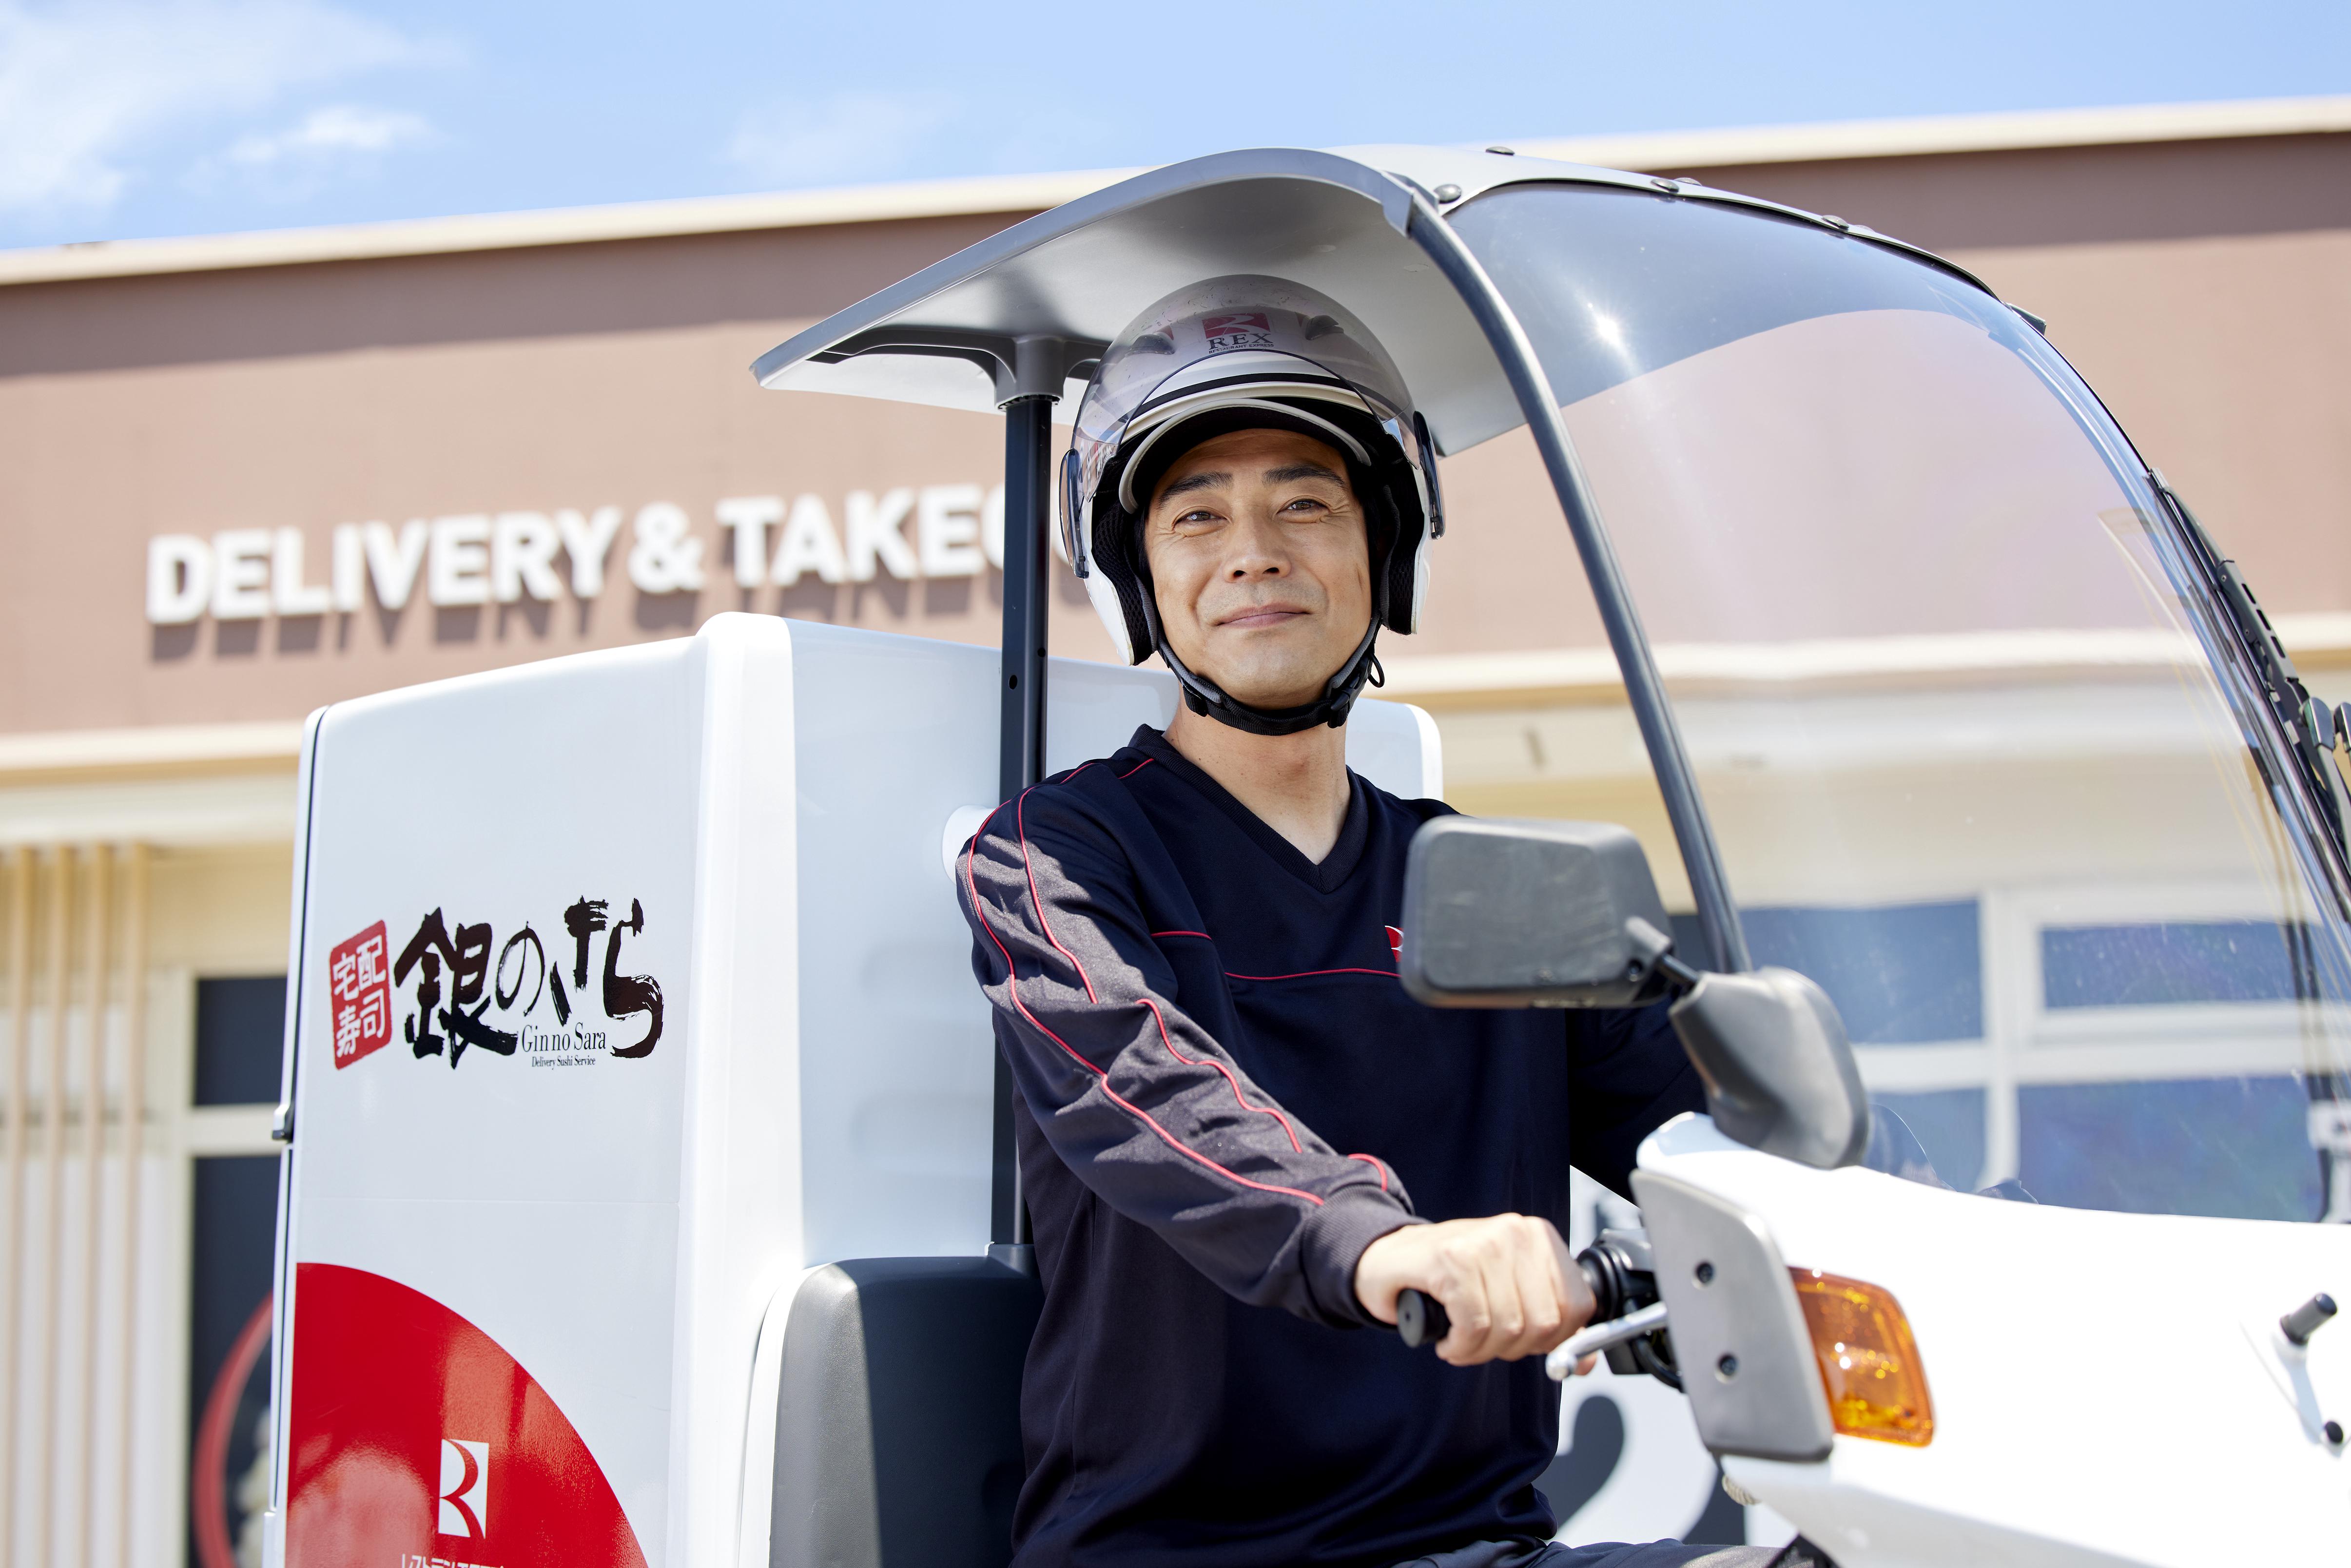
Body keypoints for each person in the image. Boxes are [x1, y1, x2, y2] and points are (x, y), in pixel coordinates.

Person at [957, 277, 1775, 1568]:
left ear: (1381, 552)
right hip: (1174, 1554)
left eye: (1305, 503)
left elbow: (1709, 1121)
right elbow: (1151, 1097)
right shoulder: (1054, 857)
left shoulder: (1487, 880)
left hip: (1480, 1544)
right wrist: (1386, 1242)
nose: (1253, 551)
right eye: (1196, 515)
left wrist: (1878, 1180)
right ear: (1140, 576)